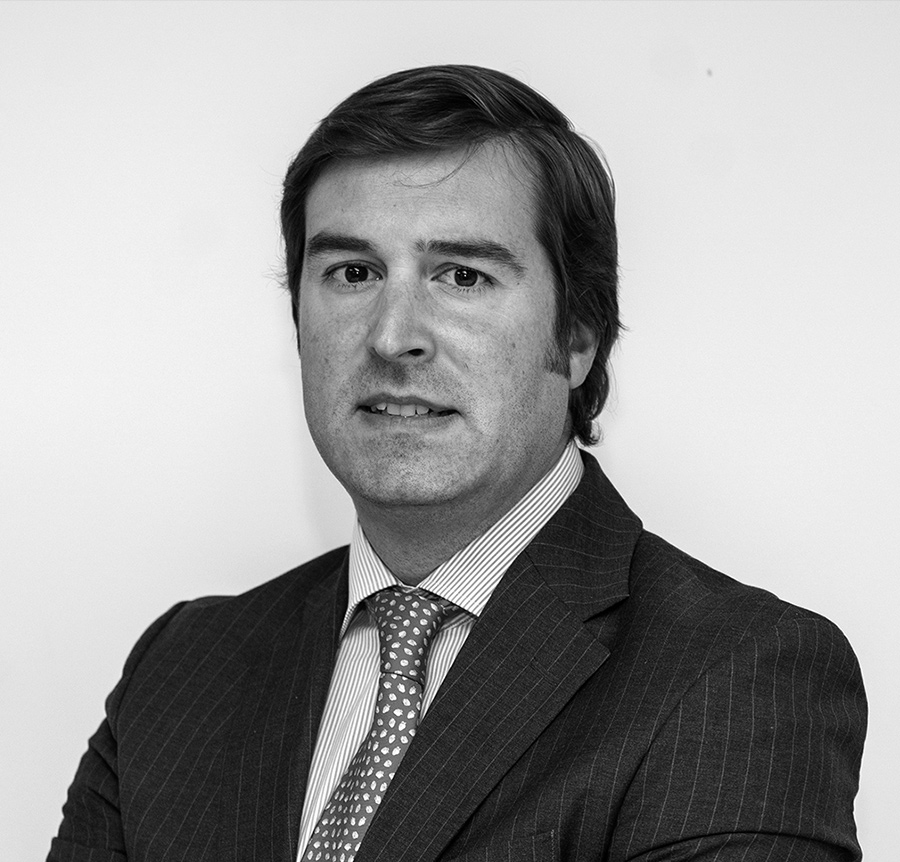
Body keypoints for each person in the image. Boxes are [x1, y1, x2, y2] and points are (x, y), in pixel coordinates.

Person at [49, 65, 866, 862]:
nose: (392, 335)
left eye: (463, 276)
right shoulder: (182, 668)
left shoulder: (739, 675)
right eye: (353, 273)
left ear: (579, 336)